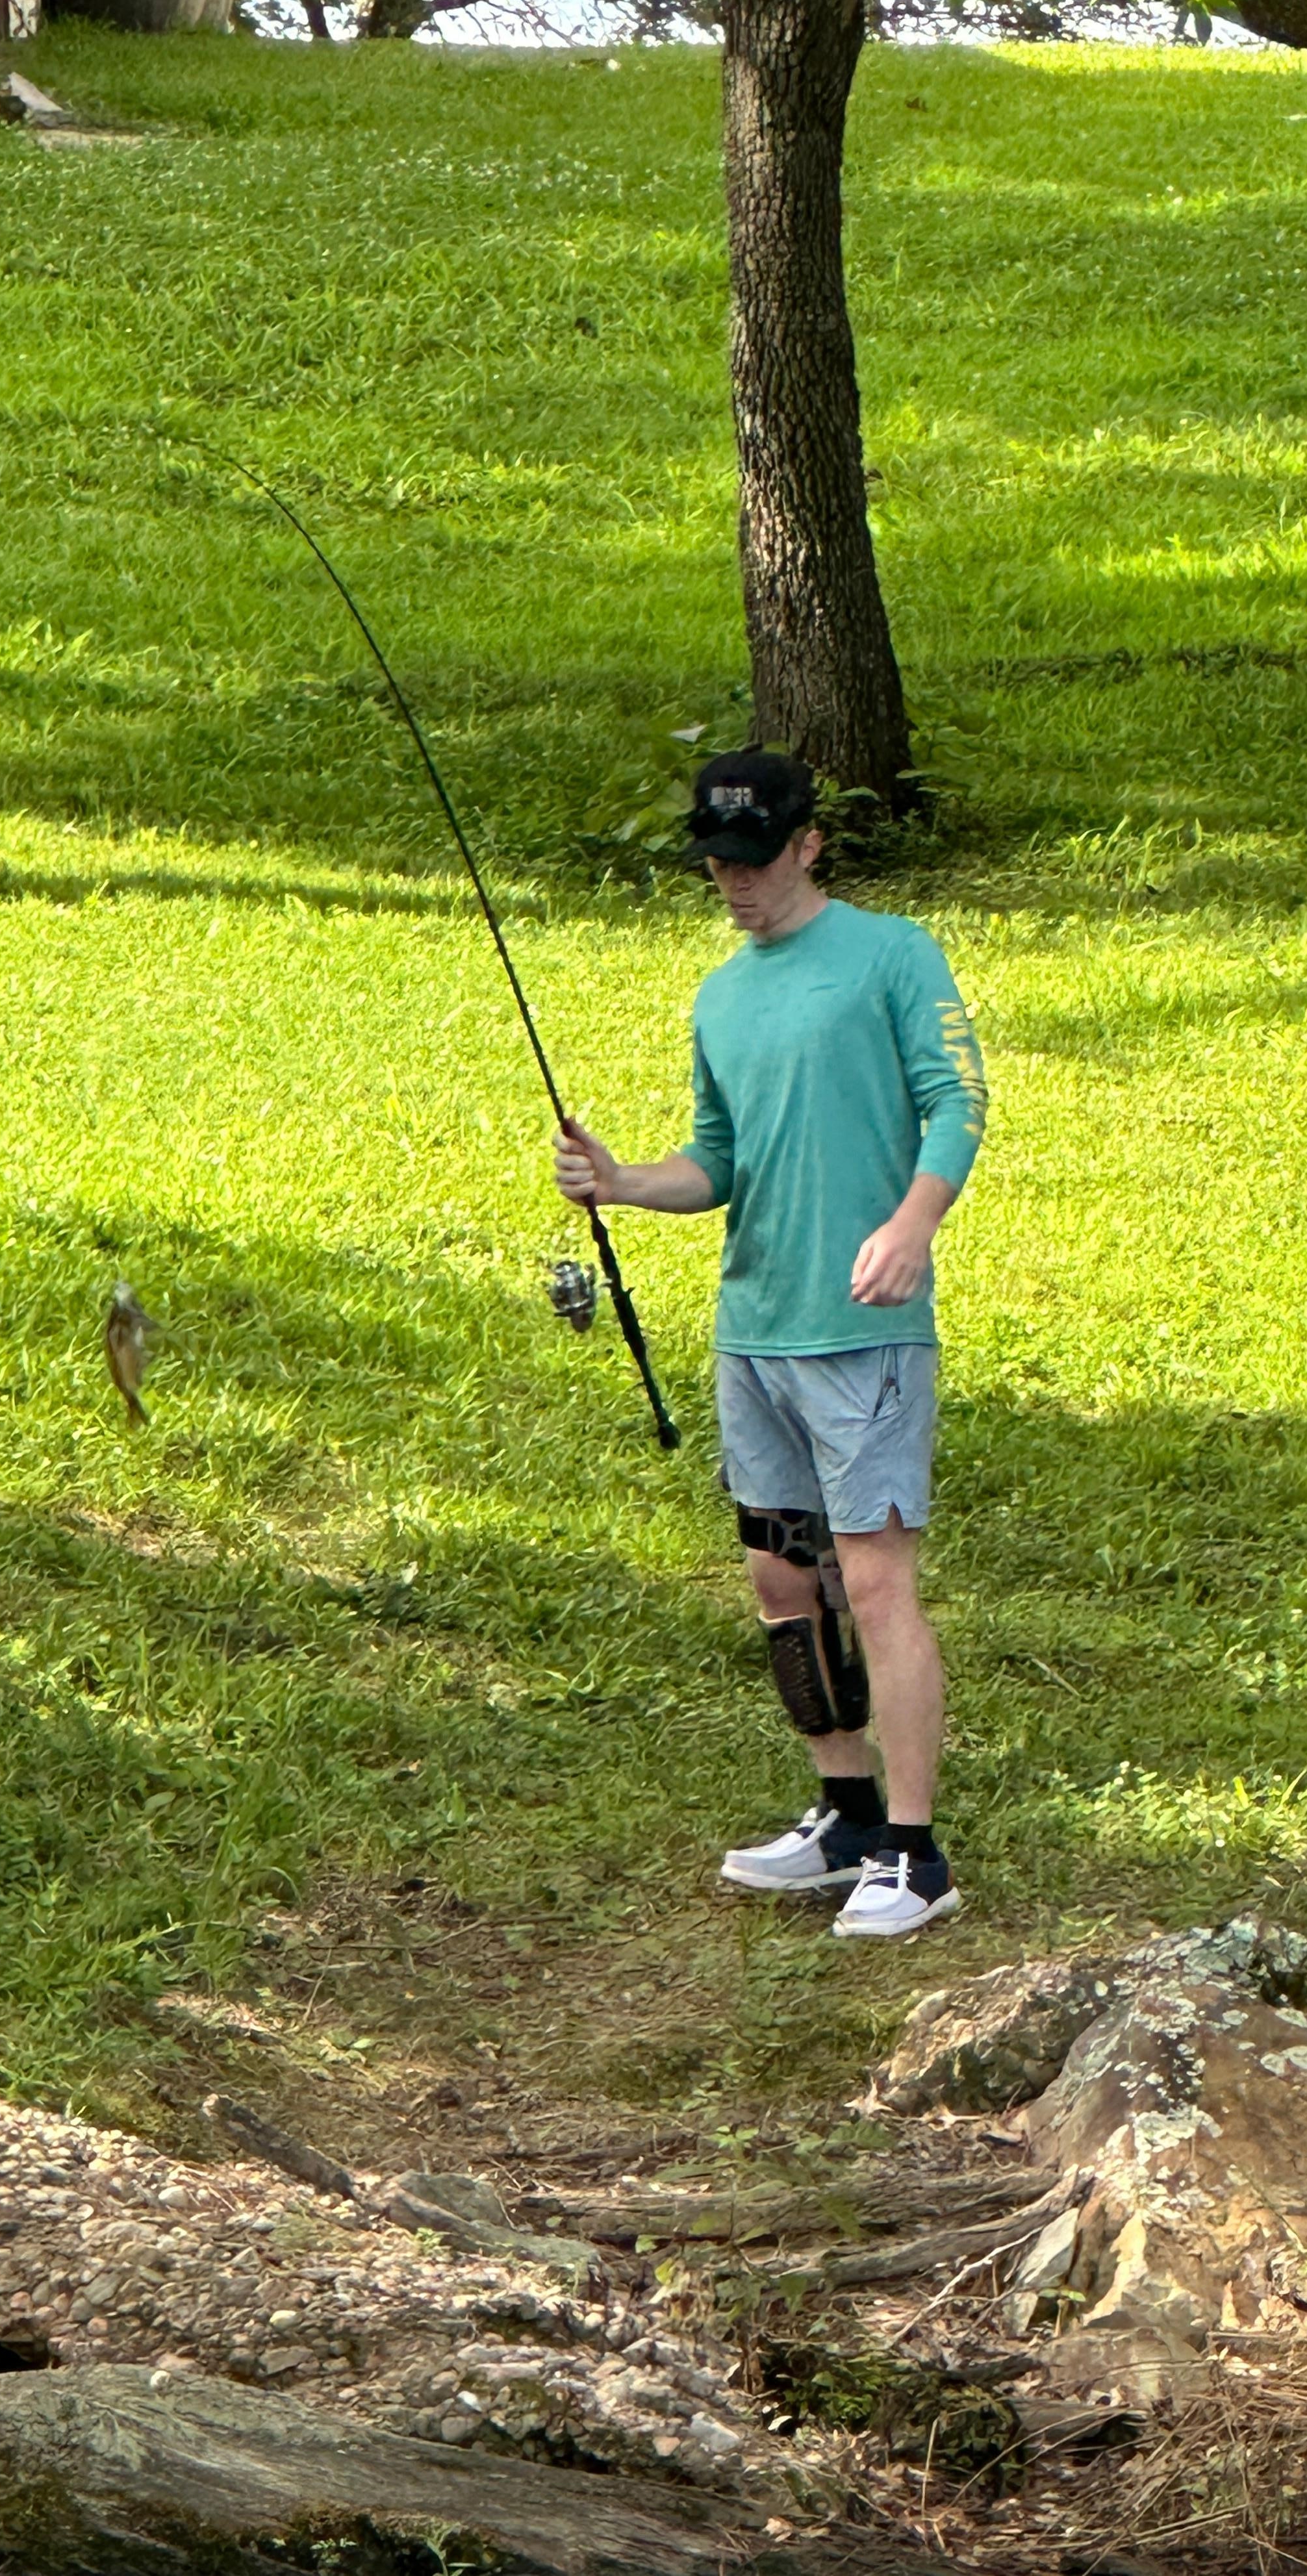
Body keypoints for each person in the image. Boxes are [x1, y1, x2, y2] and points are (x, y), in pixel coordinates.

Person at [552, 748, 987, 1939]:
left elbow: (959, 1102)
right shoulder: (721, 998)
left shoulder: (894, 956)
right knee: (782, 1579)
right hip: (757, 1335)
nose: (733, 883)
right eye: (715, 863)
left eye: (751, 859)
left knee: (879, 1581)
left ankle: (915, 1852)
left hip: (865, 1336)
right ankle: (844, 1814)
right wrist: (625, 1182)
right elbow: (719, 1160)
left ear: (808, 843)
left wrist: (913, 1221)